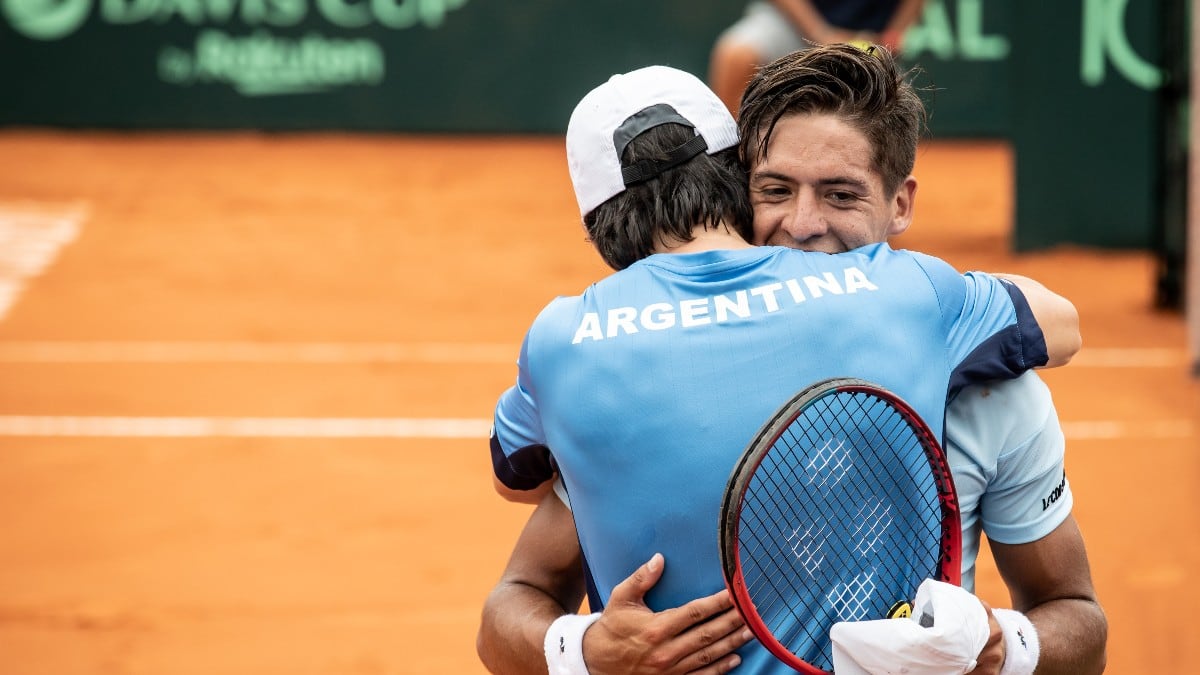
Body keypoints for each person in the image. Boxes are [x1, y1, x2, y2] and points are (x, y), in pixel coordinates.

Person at [478, 45, 1105, 675]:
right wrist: (582, 650)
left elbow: (515, 479)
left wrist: (1001, 647)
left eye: (840, 195)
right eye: (775, 189)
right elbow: (1057, 321)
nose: (803, 225)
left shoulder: (569, 349)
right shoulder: (917, 294)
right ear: (734, 181)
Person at [709, 0, 926, 115]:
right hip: (794, 23)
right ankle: (728, 163)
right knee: (736, 55)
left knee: (896, 112)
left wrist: (893, 35)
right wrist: (821, 35)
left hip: (869, 38)